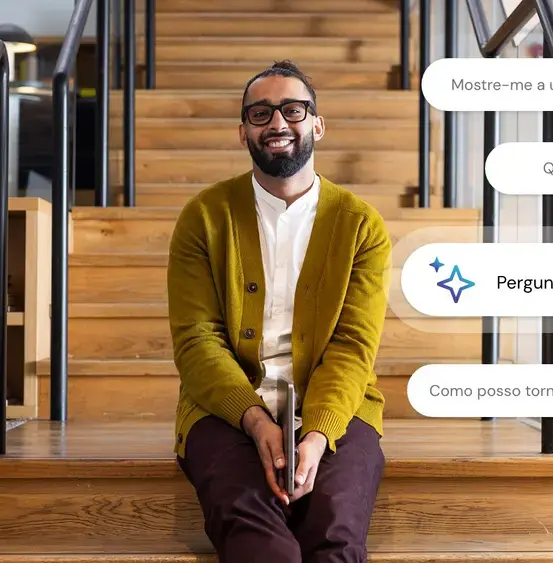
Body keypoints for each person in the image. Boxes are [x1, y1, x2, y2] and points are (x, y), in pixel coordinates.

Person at [166, 60, 391, 563]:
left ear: (317, 123)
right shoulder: (204, 217)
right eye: (261, 113)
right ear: (242, 131)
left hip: (337, 406)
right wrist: (254, 420)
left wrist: (319, 432)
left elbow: (353, 345)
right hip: (223, 408)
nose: (277, 123)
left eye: (293, 109)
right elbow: (197, 340)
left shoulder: (360, 225)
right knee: (260, 544)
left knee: (335, 536)